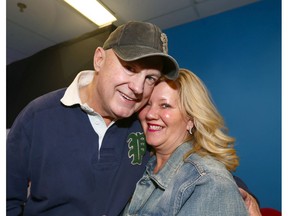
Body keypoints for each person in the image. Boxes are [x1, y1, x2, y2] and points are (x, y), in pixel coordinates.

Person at [6, 21, 260, 216]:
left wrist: (244, 195)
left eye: (150, 77)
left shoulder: (140, 124)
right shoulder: (39, 115)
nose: (138, 88)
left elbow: (192, 169)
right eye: (130, 68)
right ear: (99, 59)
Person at [122, 68, 250, 215]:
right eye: (147, 104)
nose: (150, 114)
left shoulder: (208, 182)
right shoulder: (143, 163)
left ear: (191, 120)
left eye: (165, 105)